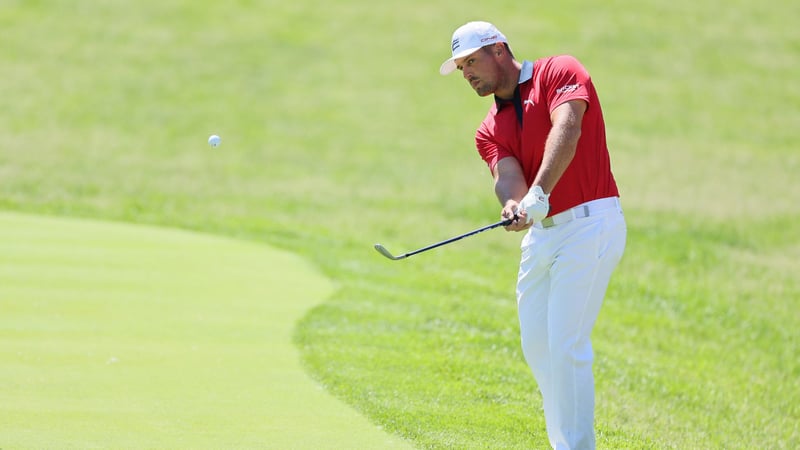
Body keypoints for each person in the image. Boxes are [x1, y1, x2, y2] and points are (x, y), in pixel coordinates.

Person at [439, 21, 627, 450]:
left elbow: (568, 129)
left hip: (590, 224)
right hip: (543, 237)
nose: (467, 74)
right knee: (539, 350)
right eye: (461, 68)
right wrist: (514, 204)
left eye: (472, 62)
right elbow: (506, 174)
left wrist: (540, 191)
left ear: (499, 50)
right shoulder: (488, 127)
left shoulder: (559, 71)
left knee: (565, 345)